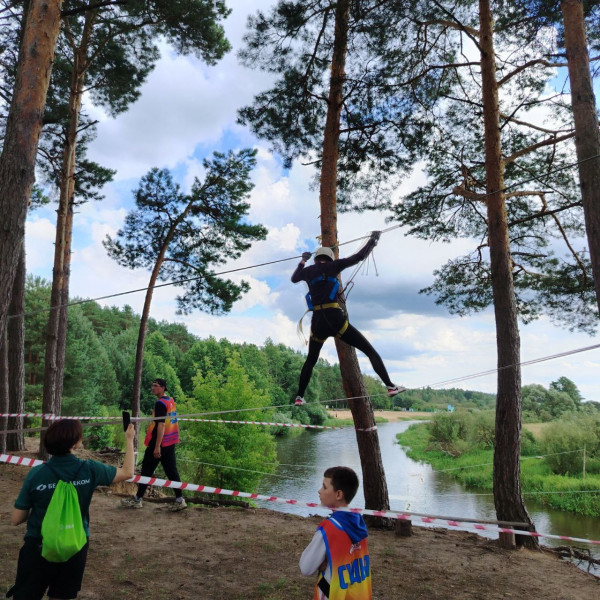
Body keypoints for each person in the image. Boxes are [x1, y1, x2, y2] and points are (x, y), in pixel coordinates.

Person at [9, 419, 135, 600]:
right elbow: (128, 472)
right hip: (75, 544)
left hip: (39, 546)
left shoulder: (36, 474)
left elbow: (16, 519)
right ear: (75, 443)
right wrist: (129, 439)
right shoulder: (90, 469)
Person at [292, 231, 405, 405]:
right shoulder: (334, 266)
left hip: (318, 322)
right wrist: (373, 241)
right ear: (330, 258)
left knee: (311, 360)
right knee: (369, 350)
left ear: (316, 259)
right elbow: (359, 257)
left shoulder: (308, 271)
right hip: (335, 319)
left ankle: (299, 397)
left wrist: (302, 261)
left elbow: (294, 279)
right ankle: (390, 386)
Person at [299, 466, 372, 599]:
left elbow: (306, 567)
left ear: (338, 494)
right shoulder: (358, 523)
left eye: (324, 487)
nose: (319, 491)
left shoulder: (328, 528)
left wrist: (321, 562)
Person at [121, 378, 186, 511]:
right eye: (152, 385)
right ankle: (180, 500)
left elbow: (161, 425)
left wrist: (157, 447)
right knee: (171, 472)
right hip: (169, 442)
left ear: (163, 388)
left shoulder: (160, 404)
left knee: (147, 470)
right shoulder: (170, 400)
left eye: (156, 386)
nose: (153, 388)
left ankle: (138, 500)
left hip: (159, 443)